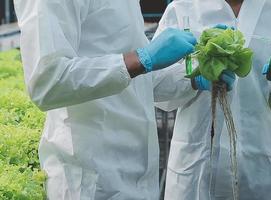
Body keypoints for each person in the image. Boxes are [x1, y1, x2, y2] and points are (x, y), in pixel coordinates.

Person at [12, 0, 233, 199]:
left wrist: (194, 78)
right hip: (91, 180)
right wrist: (142, 58)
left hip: (137, 177)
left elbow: (133, 79)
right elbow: (47, 82)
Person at [154, 0, 271, 199]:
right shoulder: (183, 7)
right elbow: (154, 83)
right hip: (197, 162)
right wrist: (193, 79)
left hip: (256, 161)